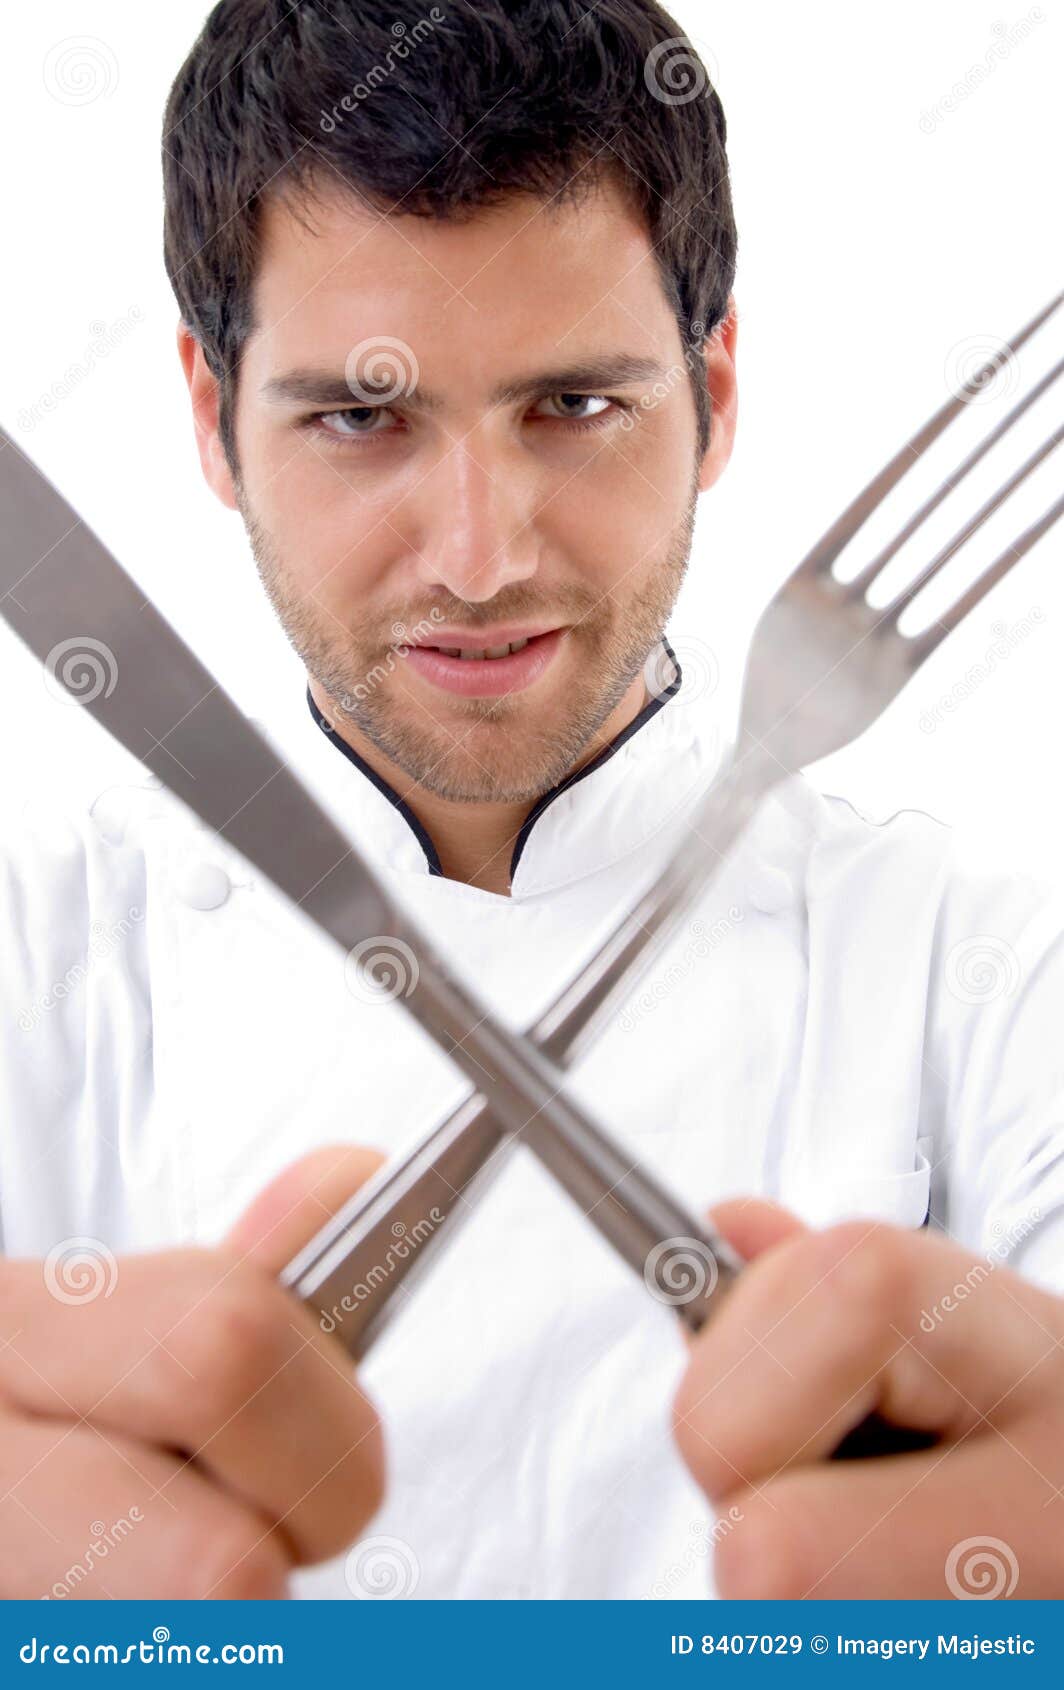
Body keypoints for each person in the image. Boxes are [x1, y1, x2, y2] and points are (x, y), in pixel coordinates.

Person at [1, 0, 1062, 1601]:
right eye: (361, 417)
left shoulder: (990, 976)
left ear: (716, 393)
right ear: (212, 420)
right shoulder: (34, 963)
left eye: (574, 406)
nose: (481, 556)